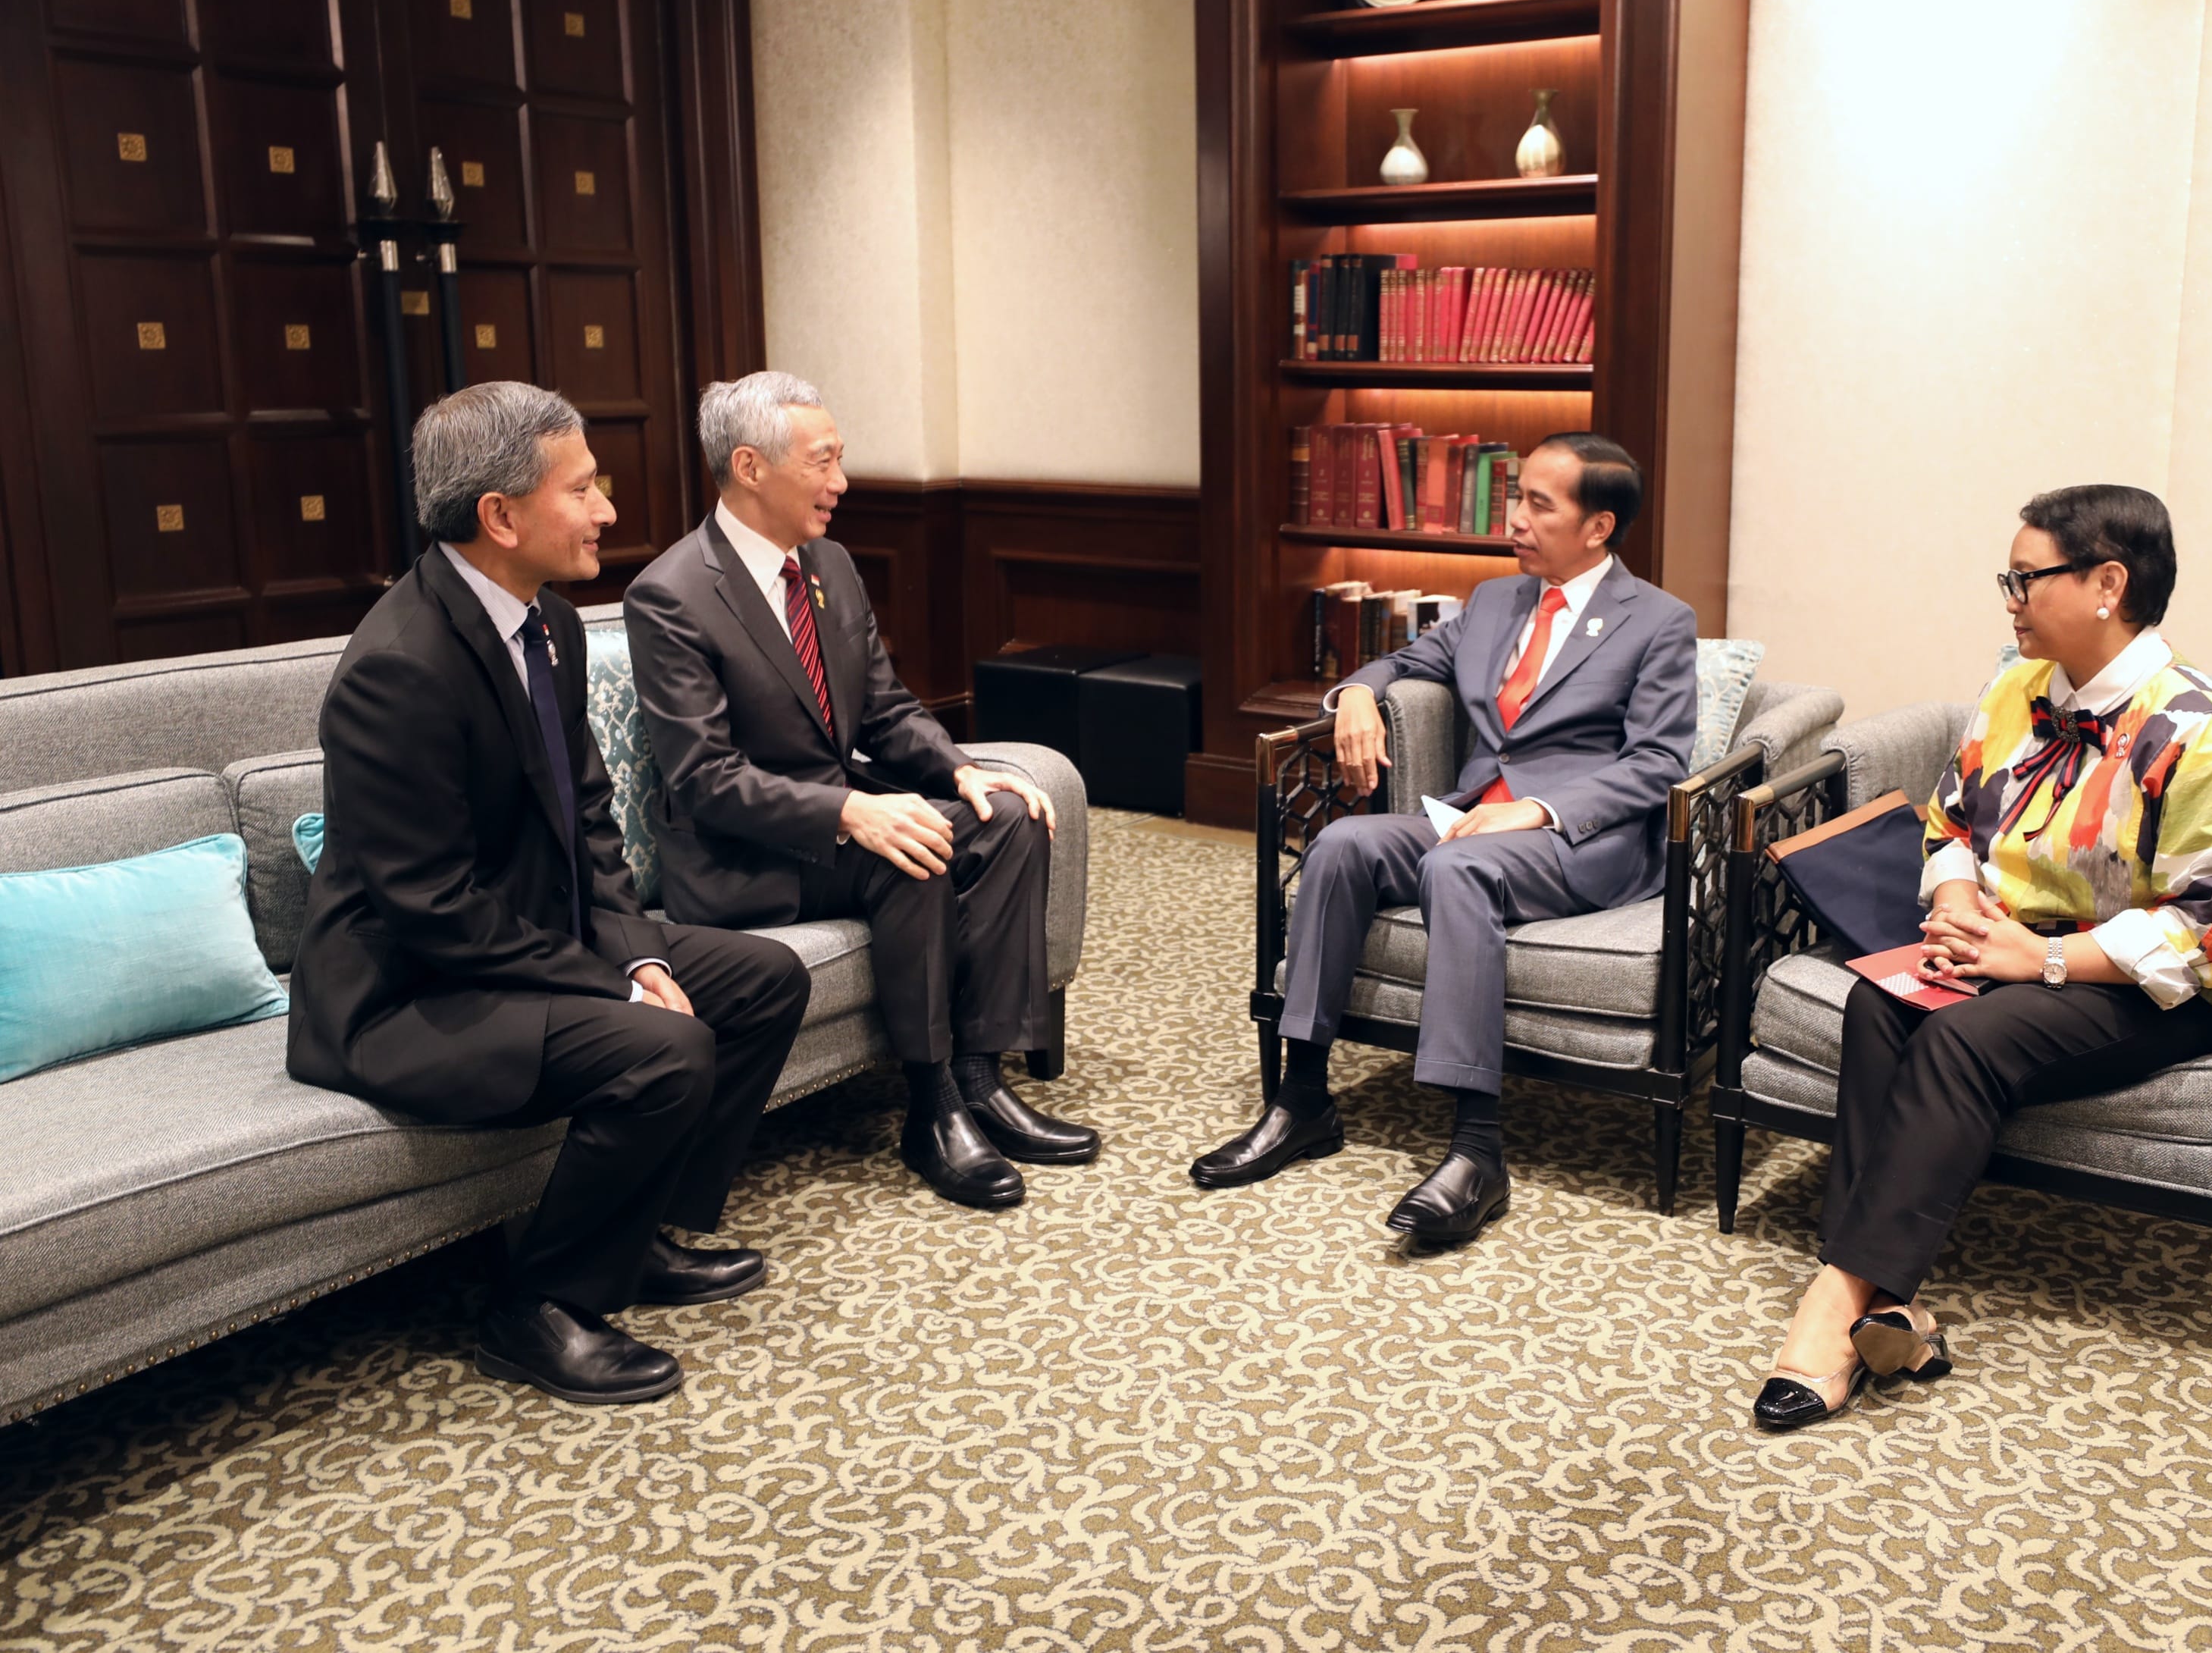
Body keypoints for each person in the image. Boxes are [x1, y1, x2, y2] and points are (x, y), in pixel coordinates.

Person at [289, 381, 812, 1407]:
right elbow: (429, 906)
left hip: (526, 943)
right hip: (407, 996)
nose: (608, 510)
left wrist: (643, 953)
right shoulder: (399, 667)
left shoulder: (555, 628)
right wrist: (610, 987)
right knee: (664, 1047)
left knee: (761, 982)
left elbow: (588, 828)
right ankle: (541, 1305)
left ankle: (635, 1232)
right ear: (501, 514)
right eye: (584, 488)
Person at [1753, 485, 2212, 1429]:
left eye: (2024, 576)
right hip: (2019, 944)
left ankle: (1830, 1303)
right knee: (1882, 1002)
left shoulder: (2203, 728)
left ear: (2105, 584)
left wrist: (2038, 961)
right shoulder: (2013, 689)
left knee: (1961, 1041)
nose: (2007, 595)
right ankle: (1892, 1305)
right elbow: (1948, 819)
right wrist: (1960, 907)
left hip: (2161, 984)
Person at [1189, 433, 1700, 1244]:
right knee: (1338, 845)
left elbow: (1657, 763)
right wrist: (1357, 690)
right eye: (1517, 497)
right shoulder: (1494, 599)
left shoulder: (1658, 622)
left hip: (1578, 838)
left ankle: (1476, 1146)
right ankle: (1302, 1098)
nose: (1517, 516)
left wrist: (1534, 811)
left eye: (1540, 502)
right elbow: (1405, 659)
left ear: (1598, 525)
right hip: (1466, 816)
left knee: (1459, 868)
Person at [621, 372, 1092, 1212]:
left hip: (837, 817)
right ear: (750, 467)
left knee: (1010, 816)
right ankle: (932, 1103)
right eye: (824, 462)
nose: (842, 483)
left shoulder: (829, 565)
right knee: (905, 849)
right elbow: (704, 778)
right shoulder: (671, 594)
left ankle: (983, 1079)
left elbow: (882, 706)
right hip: (745, 854)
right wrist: (848, 811)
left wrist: (958, 769)